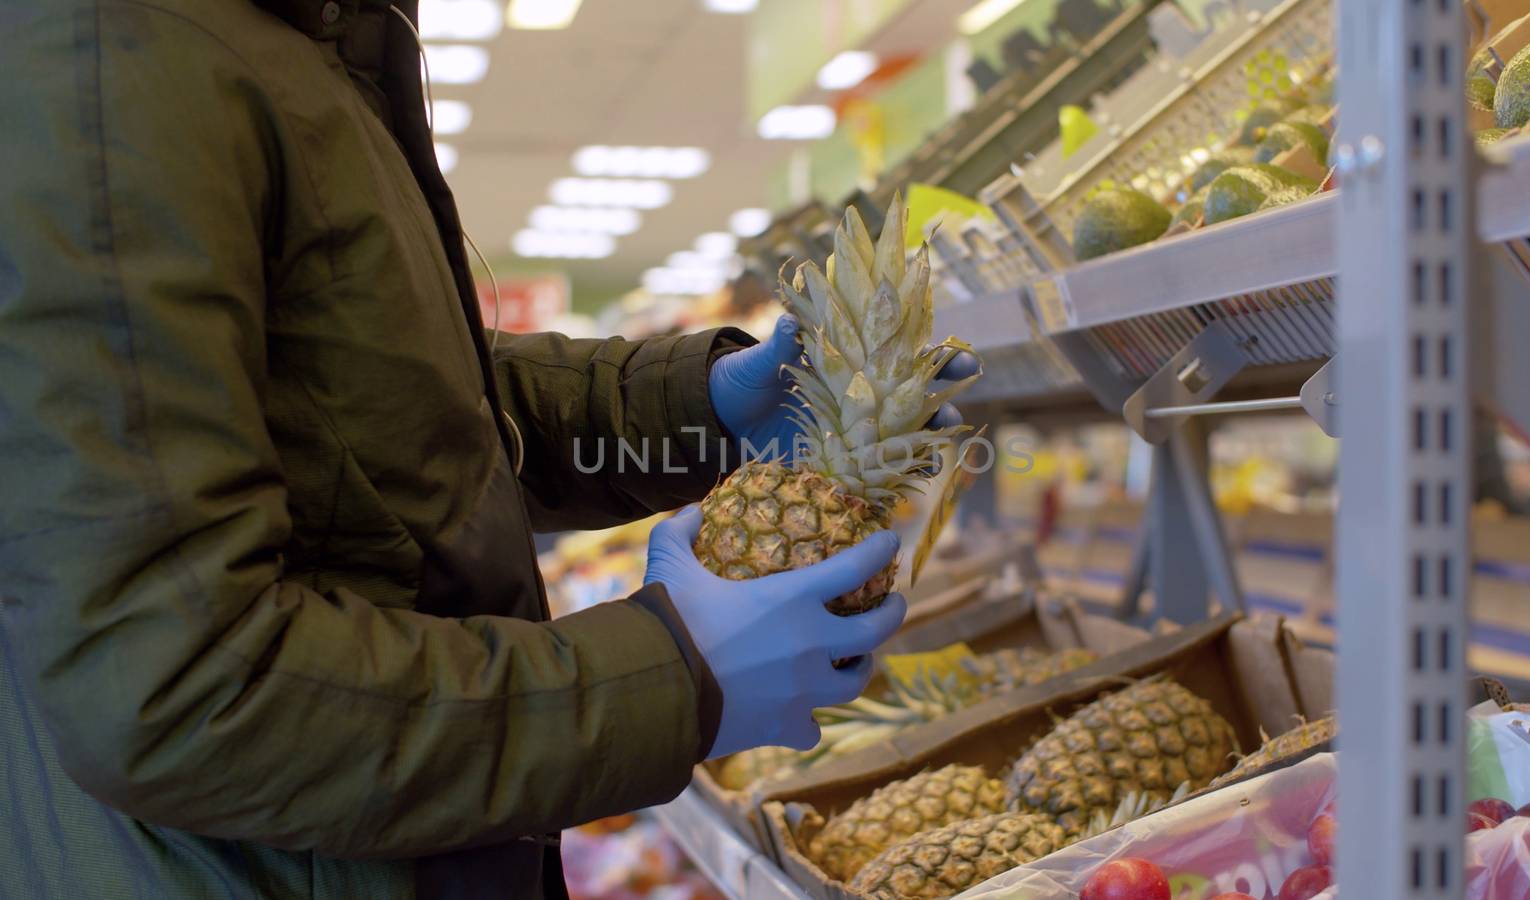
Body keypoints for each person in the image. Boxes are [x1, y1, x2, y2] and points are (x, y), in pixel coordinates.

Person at [0, 2, 976, 898]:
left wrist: (694, 408)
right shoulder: (116, 55)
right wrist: (669, 677)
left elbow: (376, 410)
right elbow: (175, 687)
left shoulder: (283, 40)